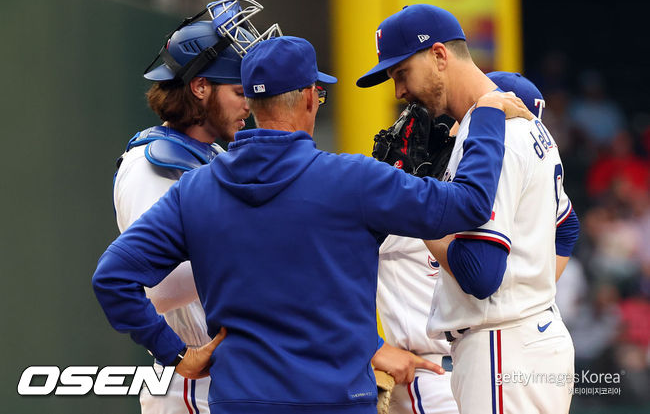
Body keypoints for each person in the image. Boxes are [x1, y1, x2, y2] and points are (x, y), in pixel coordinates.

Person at [93, 35, 532, 414]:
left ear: (252, 102)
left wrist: (174, 353)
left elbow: (113, 278)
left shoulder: (196, 190)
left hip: (240, 400)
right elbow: (471, 204)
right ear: (309, 97)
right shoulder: (354, 180)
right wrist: (486, 114)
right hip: (337, 399)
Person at [357, 5, 580, 414]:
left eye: (401, 73)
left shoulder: (492, 133)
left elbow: (480, 272)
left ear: (439, 56)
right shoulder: (520, 122)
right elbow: (568, 225)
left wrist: (418, 202)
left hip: (501, 348)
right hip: (528, 338)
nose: (398, 92)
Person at [112, 0, 280, 414]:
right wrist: (258, 242)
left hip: (236, 376)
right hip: (192, 382)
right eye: (239, 91)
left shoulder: (216, 156)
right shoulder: (153, 163)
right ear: (200, 87)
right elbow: (156, 289)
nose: (250, 104)